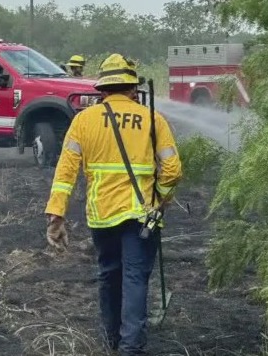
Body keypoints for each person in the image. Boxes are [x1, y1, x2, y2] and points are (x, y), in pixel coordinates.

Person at [44, 53, 183, 355]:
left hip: (102, 215)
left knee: (109, 273)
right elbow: (172, 170)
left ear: (102, 89)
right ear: (133, 89)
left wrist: (57, 214)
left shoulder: (84, 121)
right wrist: (161, 199)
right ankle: (131, 347)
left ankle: (111, 340)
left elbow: (65, 172)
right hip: (142, 216)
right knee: (135, 278)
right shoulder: (153, 119)